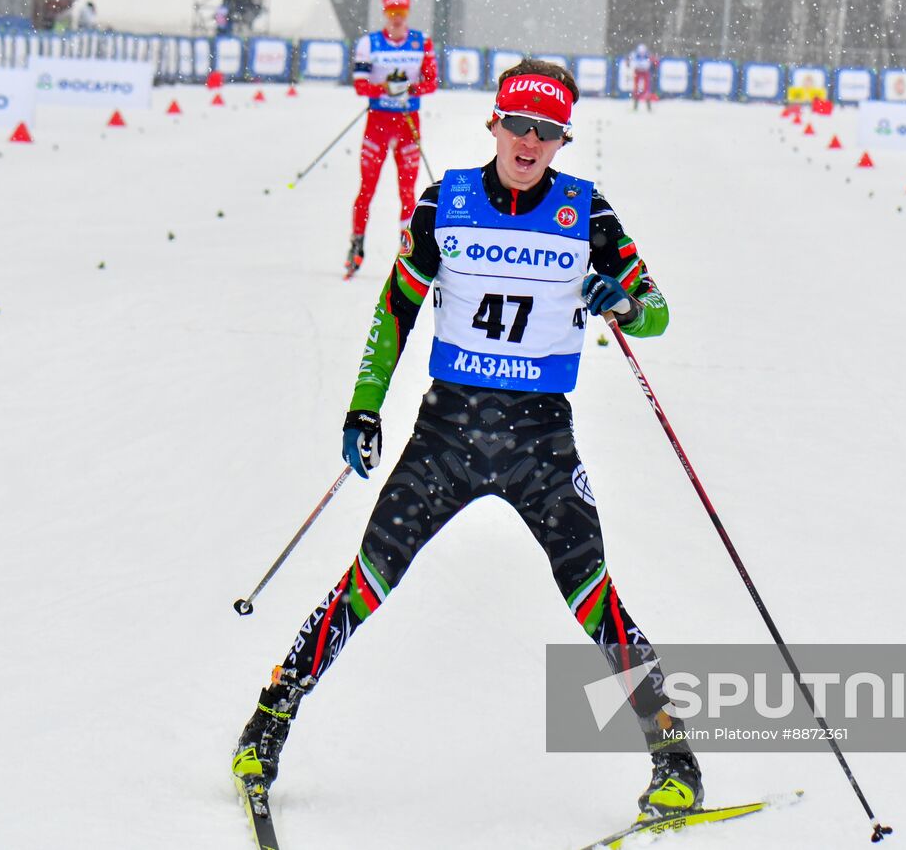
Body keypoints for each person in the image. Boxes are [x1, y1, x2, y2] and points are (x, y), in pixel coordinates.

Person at [232, 58, 703, 822]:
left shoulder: (588, 214)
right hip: (448, 433)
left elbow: (657, 311)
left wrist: (622, 300)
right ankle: (264, 729)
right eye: (518, 123)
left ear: (560, 140)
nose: (529, 140)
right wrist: (362, 407)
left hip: (540, 444)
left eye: (546, 130)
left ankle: (676, 759)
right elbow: (394, 310)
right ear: (494, 124)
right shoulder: (444, 203)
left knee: (595, 598)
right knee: (365, 583)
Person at [344, 0, 437, 278]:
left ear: (407, 13)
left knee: (407, 191)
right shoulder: (368, 44)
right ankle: (356, 246)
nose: (397, 18)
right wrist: (384, 89)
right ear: (385, 13)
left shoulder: (421, 42)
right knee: (367, 189)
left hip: (408, 123)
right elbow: (360, 85)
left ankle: (406, 251)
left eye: (402, 12)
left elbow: (432, 81)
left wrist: (409, 89)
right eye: (392, 12)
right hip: (379, 124)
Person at [629, 43, 655, 112]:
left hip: (645, 73)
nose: (642, 54)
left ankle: (648, 107)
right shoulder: (635, 55)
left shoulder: (648, 55)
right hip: (637, 72)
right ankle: (635, 106)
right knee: (636, 89)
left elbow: (653, 63)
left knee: (646, 89)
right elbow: (630, 62)